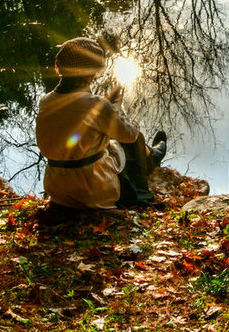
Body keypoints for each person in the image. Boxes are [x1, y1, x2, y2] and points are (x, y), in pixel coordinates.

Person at [35, 37, 167, 210]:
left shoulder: (46, 101)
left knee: (106, 139)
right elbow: (129, 135)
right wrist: (112, 109)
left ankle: (151, 155)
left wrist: (107, 108)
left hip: (57, 190)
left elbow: (77, 117)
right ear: (89, 73)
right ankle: (145, 182)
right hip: (92, 192)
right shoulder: (94, 105)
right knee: (131, 139)